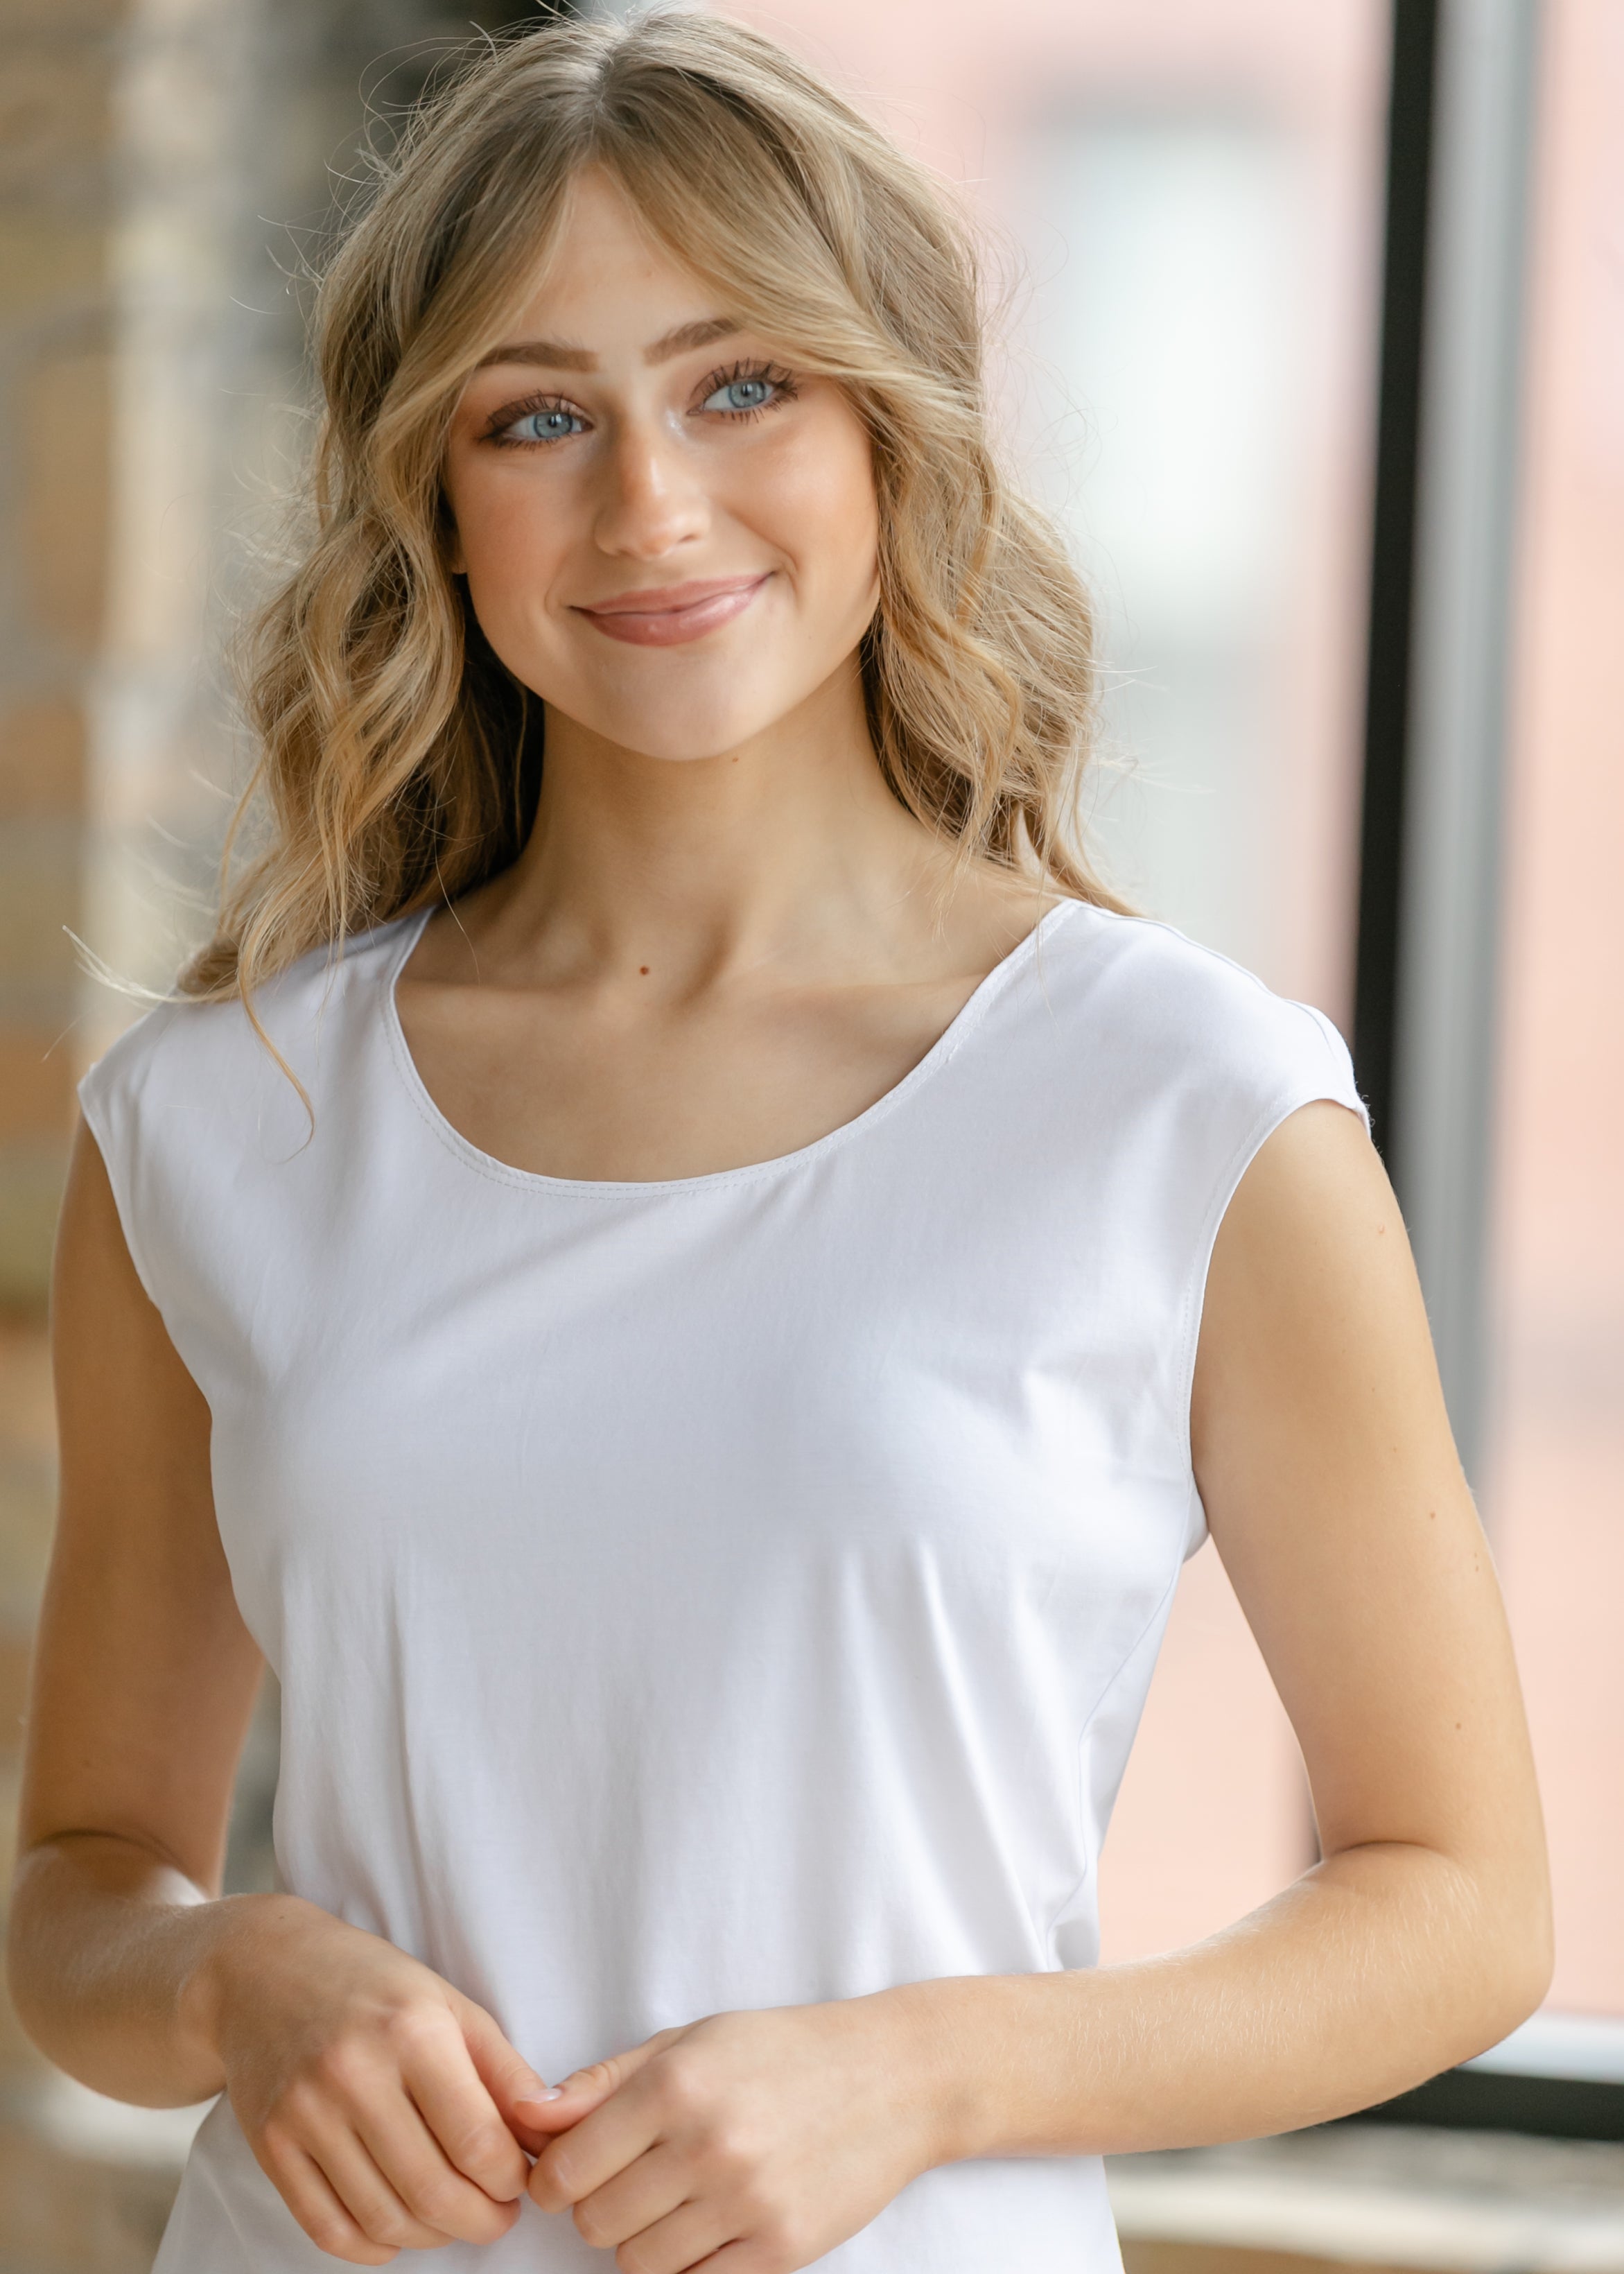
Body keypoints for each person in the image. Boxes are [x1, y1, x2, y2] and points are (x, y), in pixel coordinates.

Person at [7, 14, 1551, 2274]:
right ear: (438, 495)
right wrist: (239, 1980)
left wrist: (930, 2072)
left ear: (892, 427)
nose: (652, 504)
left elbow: (1463, 1909)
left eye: (743, 387)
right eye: (543, 416)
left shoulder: (1187, 1107)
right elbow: (76, 1900)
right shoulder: (219, 1123)